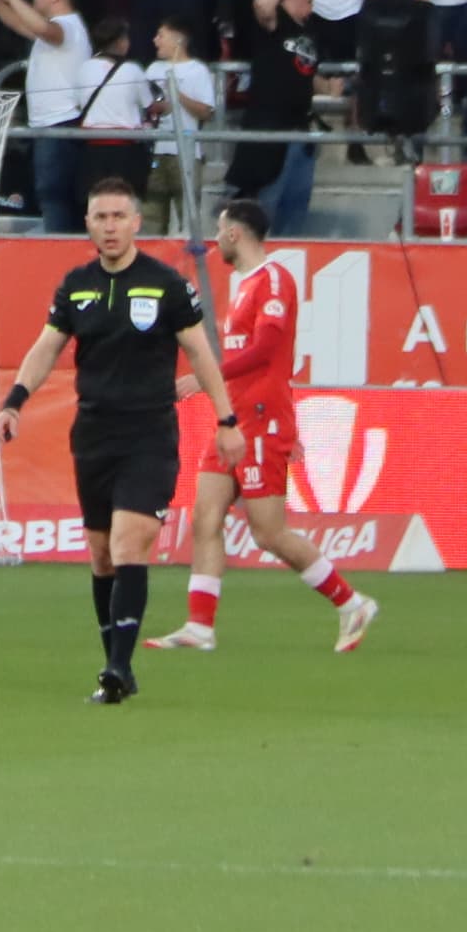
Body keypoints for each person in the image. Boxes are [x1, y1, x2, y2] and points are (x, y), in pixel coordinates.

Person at [0, 173, 225, 705]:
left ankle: (117, 668)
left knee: (127, 545)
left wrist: (227, 419)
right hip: (94, 435)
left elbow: (200, 352)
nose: (111, 226)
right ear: (88, 224)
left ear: (137, 222)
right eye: (101, 217)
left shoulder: (166, 284)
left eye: (120, 216)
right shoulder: (76, 286)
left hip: (149, 434)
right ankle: (116, 664)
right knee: (101, 556)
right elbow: (46, 347)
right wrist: (13, 401)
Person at [153, 197, 374, 656]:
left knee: (268, 532)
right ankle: (199, 627)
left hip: (260, 418)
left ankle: (352, 603)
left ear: (235, 233)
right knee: (205, 517)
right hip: (234, 418)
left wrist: (207, 376)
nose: (216, 239)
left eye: (220, 230)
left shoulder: (274, 279)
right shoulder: (246, 285)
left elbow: (267, 350)